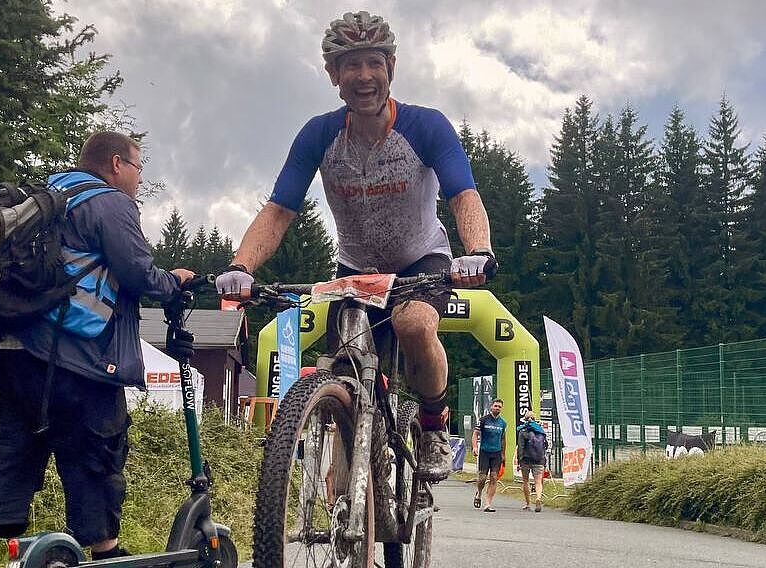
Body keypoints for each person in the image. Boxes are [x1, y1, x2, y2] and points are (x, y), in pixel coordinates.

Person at [214, 11, 495, 483]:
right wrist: (241, 265)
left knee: (412, 323)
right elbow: (279, 210)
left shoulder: (425, 126)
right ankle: (351, 480)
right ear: (333, 75)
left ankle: (431, 424)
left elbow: (463, 195)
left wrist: (479, 252)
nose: (364, 76)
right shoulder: (319, 135)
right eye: (350, 65)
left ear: (391, 67)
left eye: (373, 63)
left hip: (420, 261)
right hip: (355, 268)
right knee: (343, 367)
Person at [0, 132, 195, 568]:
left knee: (11, 451)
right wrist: (171, 282)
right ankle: (107, 558)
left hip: (14, 349)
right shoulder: (109, 203)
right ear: (117, 164)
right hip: (75, 357)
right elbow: (136, 272)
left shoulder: (47, 197)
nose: (138, 179)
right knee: (95, 451)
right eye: (138, 169)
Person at [472, 399, 507, 512]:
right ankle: (479, 493)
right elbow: (475, 434)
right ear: (491, 407)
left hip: (496, 453)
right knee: (482, 478)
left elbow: (503, 439)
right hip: (484, 451)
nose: (497, 408)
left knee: (493, 477)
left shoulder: (502, 423)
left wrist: (503, 454)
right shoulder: (483, 420)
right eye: (496, 406)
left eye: (499, 407)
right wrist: (475, 447)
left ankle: (488, 503)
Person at [516, 409, 548, 513]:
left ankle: (528, 503)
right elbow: (545, 446)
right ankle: (538, 498)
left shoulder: (523, 431)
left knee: (525, 481)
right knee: (538, 482)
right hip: (539, 459)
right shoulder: (541, 431)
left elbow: (520, 447)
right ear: (534, 419)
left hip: (526, 460)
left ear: (525, 419)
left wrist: (519, 461)